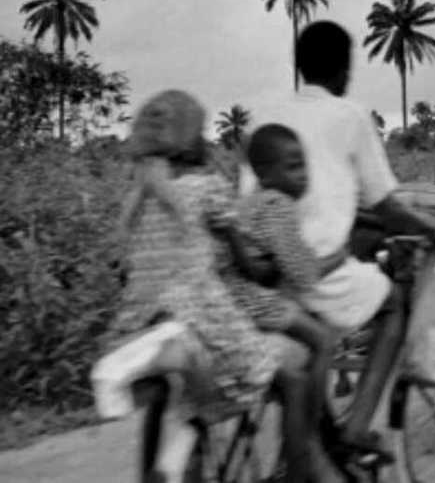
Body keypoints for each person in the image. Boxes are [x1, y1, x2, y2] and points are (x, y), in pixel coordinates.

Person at [240, 20, 435, 463]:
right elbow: (386, 204)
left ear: (299, 65)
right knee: (394, 301)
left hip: (260, 266)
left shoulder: (263, 117)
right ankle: (356, 428)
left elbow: (256, 197)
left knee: (312, 338)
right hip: (312, 266)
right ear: (343, 70)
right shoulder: (350, 115)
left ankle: (309, 441)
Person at [105, 90, 301, 481]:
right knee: (288, 379)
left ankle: (169, 465)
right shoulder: (208, 187)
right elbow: (245, 263)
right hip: (200, 318)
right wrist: (267, 272)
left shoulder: (136, 200)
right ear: (194, 141)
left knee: (193, 395)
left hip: (139, 327)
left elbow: (124, 270)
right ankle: (301, 472)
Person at [212, 124, 345, 482]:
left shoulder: (249, 203)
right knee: (323, 340)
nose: (302, 176)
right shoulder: (277, 204)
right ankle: (304, 439)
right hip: (248, 298)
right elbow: (300, 271)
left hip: (226, 297)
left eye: (303, 165)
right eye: (293, 166)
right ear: (265, 173)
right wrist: (337, 259)